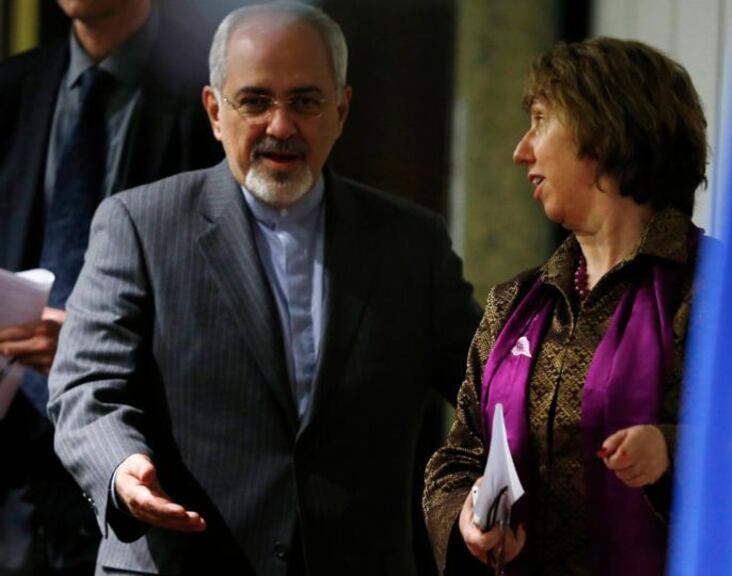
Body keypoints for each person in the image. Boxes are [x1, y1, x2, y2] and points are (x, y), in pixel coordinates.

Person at [46, 2, 480, 574]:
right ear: (214, 111)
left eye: (305, 101)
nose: (280, 126)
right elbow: (86, 384)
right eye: (255, 101)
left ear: (342, 109)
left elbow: (490, 386)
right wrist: (122, 467)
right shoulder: (139, 224)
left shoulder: (410, 244)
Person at [422, 37, 710, 576]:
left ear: (604, 129)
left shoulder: (717, 290)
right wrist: (467, 516)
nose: (521, 151)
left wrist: (672, 451)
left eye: (539, 120)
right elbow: (457, 458)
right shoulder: (514, 303)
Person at [0, 1, 221, 573]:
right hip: (12, 464)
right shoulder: (15, 86)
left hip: (146, 463)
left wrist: (84, 343)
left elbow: (229, 300)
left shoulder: (210, 93)